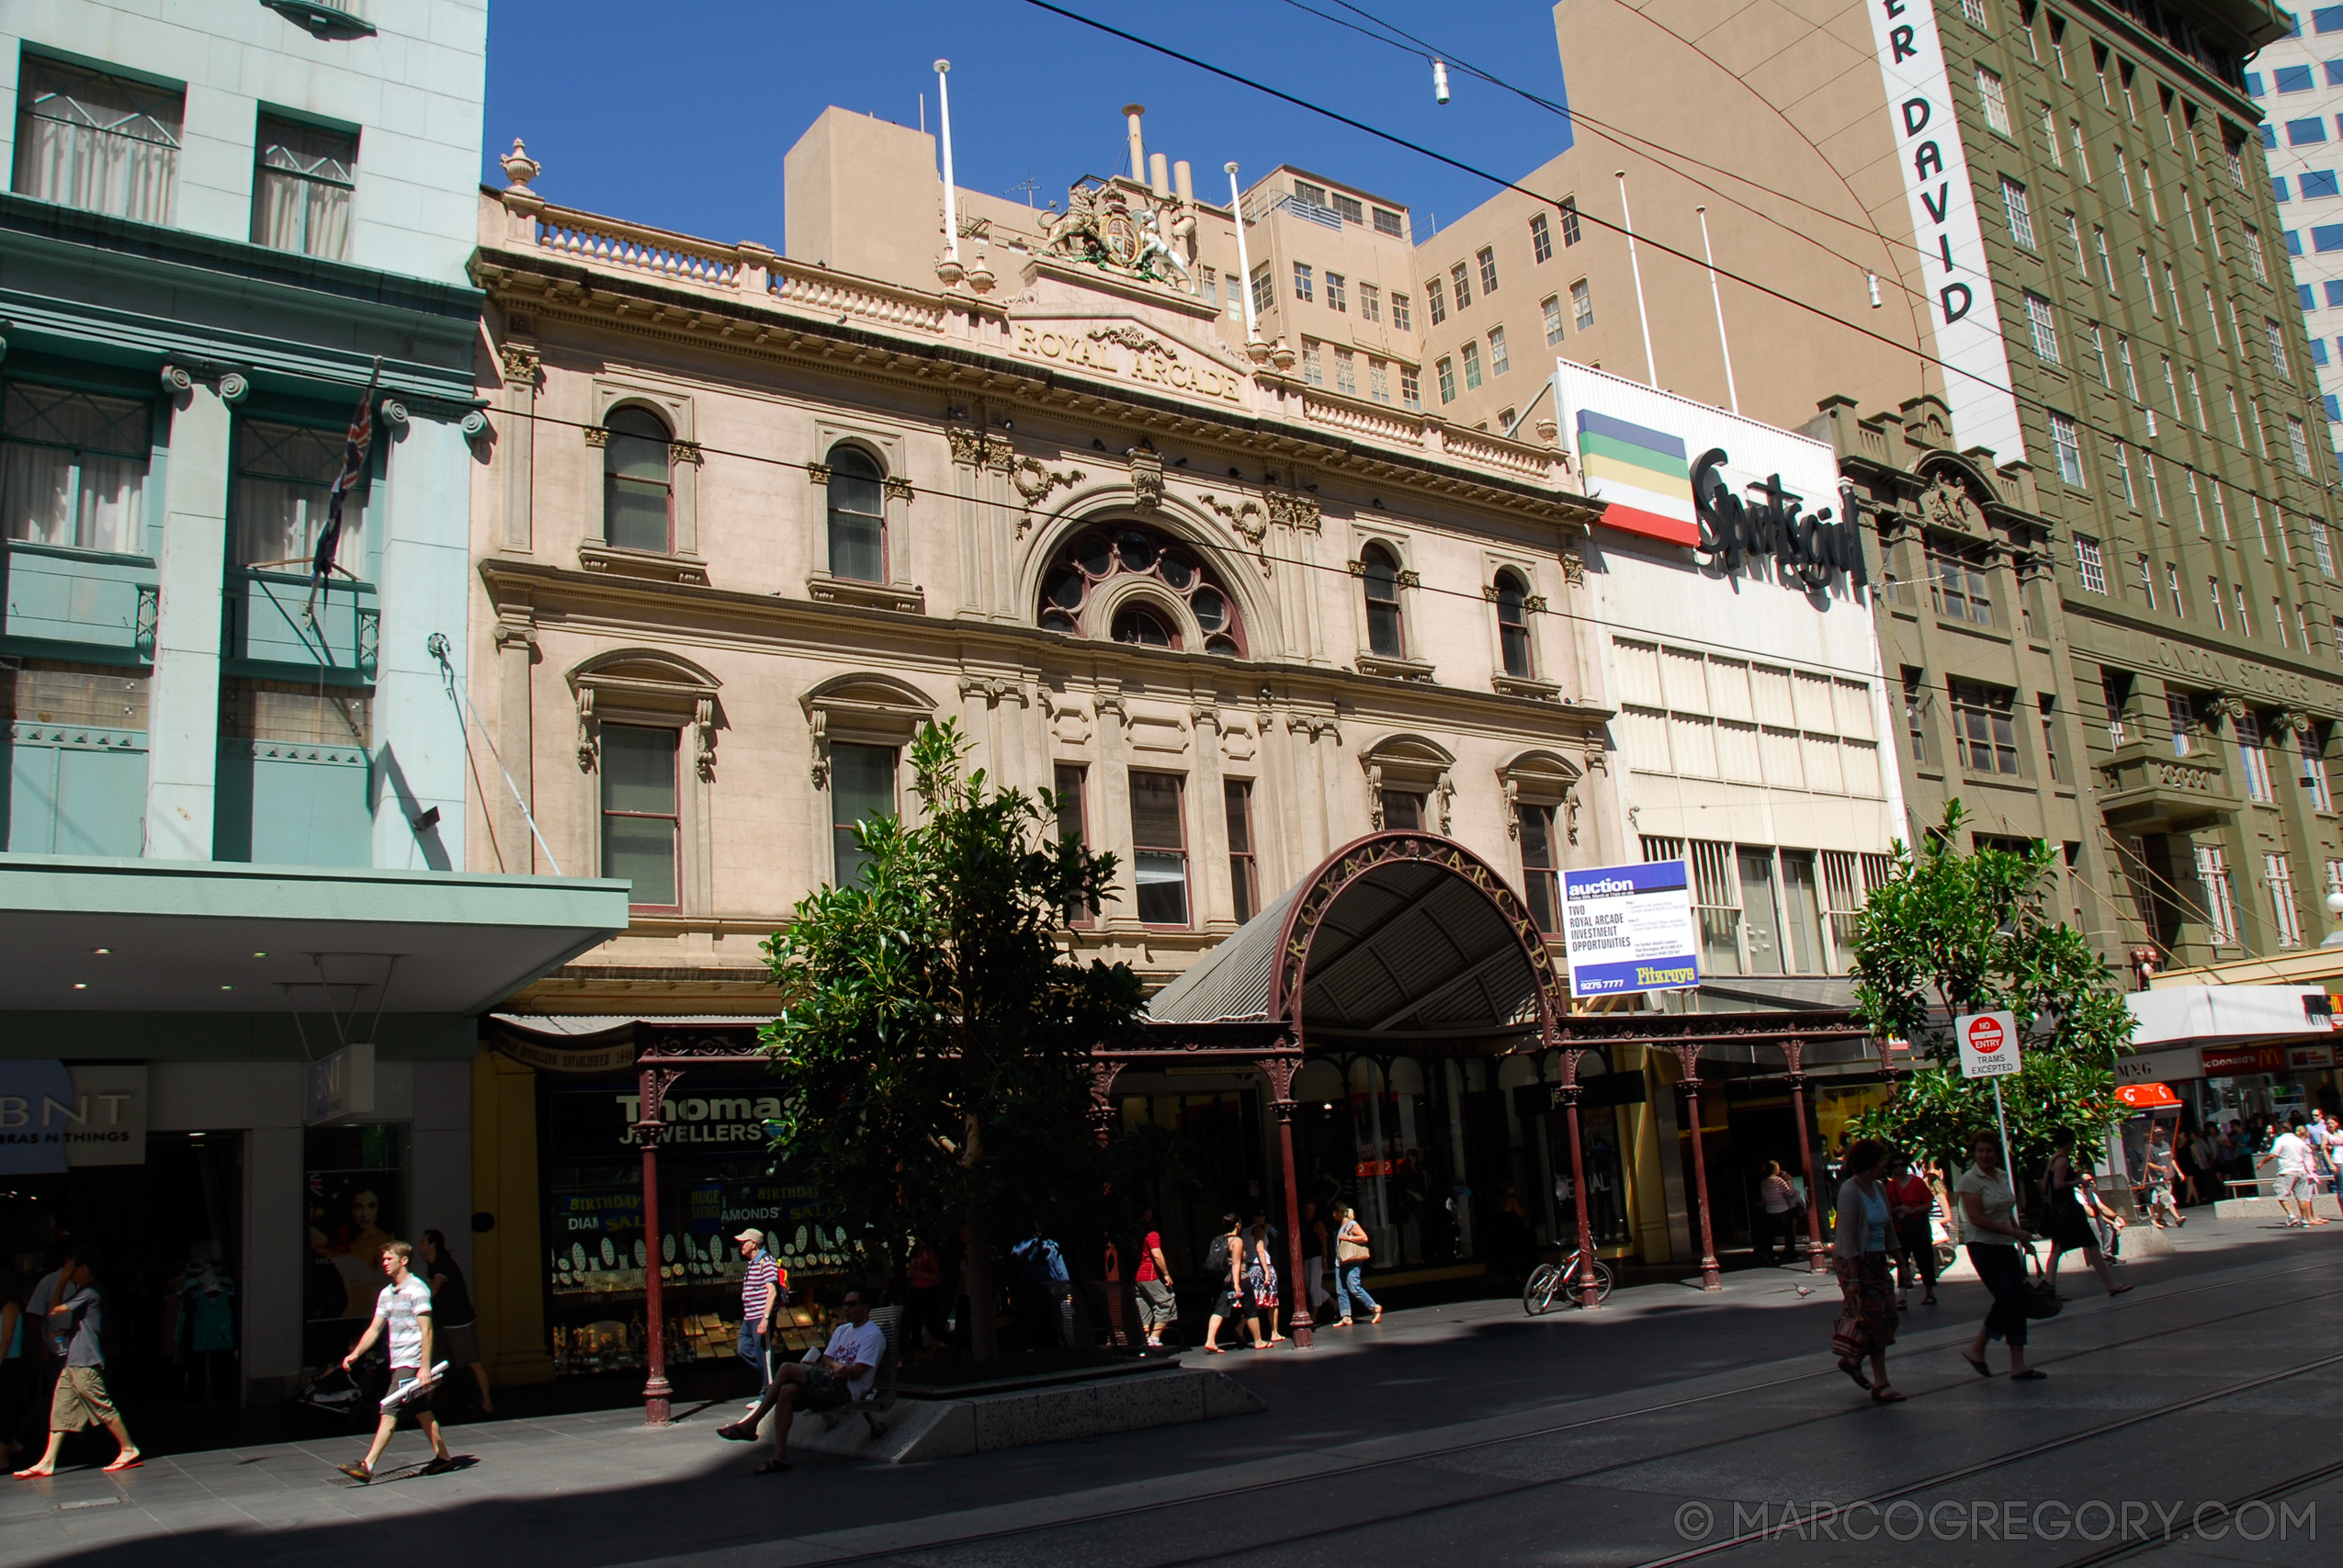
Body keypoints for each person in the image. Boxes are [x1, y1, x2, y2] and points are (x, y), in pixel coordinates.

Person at [717, 1287, 885, 1473]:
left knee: (787, 1368)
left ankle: (751, 1424)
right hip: (830, 1380)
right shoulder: (842, 1331)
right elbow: (826, 1359)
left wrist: (836, 1367)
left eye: (852, 1304)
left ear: (866, 1307)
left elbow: (858, 1372)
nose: (846, 1308)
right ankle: (779, 1456)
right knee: (787, 1390)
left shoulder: (873, 1335)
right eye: (844, 1304)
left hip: (848, 1390)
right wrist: (836, 1366)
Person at [12, 1247, 138, 1478]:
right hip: (73, 1360)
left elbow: (54, 1309)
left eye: (74, 1270)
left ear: (85, 1269)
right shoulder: (86, 1292)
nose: (70, 1275)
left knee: (101, 1404)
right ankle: (48, 1461)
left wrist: (60, 1281)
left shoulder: (89, 1291)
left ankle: (128, 1448)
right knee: (60, 1409)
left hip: (85, 1361)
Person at [335, 1241, 451, 1483]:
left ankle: (367, 1466)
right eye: (384, 1259)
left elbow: (426, 1331)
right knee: (421, 1410)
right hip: (397, 1362)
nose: (385, 1263)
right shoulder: (387, 1293)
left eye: (389, 1259)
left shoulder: (418, 1289)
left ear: (404, 1260)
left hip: (411, 1363)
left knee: (389, 1410)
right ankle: (444, 1457)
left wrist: (424, 1367)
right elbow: (375, 1328)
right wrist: (355, 1353)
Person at [1957, 1132, 2043, 1381]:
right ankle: (1977, 1348)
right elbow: (1976, 1218)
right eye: (1980, 1151)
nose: (1984, 1156)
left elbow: (2006, 1210)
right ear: (1974, 1154)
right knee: (2006, 1299)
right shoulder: (1969, 1180)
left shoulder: (2003, 1176)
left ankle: (2018, 1364)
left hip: (2005, 1244)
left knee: (2018, 1300)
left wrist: (2019, 1236)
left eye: (1989, 1151)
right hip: (1982, 1245)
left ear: (1997, 1154)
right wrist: (2013, 1232)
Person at [1828, 1140, 1903, 1403]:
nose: (1886, 1165)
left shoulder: (1879, 1188)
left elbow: (1888, 1227)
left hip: (1878, 1259)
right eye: (1882, 1160)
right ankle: (1881, 1383)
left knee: (1890, 1315)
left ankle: (1852, 1359)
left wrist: (1900, 1260)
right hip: (1855, 1261)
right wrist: (1854, 1278)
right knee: (1874, 1320)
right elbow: (1846, 1238)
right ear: (1870, 1164)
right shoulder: (1849, 1191)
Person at [2043, 1128, 2132, 1298]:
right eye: (2073, 1140)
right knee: (2091, 1245)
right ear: (2068, 1142)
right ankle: (2110, 1284)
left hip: (2059, 1210)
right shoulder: (2061, 1161)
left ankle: (2049, 1286)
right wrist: (2078, 1182)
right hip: (2068, 1210)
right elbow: (2058, 1185)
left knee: (2058, 1248)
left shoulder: (2053, 1159)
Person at [418, 1231, 492, 1416]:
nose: (420, 1246)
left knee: (472, 1363)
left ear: (432, 1245)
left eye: (423, 1242)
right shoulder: (432, 1266)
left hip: (459, 1323)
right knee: (436, 1365)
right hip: (445, 1323)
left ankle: (487, 1402)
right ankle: (424, 1407)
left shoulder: (442, 1264)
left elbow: (433, 1290)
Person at [1884, 1151, 1938, 1308]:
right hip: (1901, 1228)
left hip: (1918, 1225)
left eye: (1902, 1165)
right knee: (1902, 1261)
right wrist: (1899, 1209)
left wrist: (1912, 1211)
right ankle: (1902, 1297)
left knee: (1925, 1259)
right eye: (1896, 1166)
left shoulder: (1918, 1182)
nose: (1899, 1168)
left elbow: (1929, 1204)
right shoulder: (1891, 1186)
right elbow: (1888, 1208)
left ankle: (1929, 1292)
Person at [1202, 1214, 1256, 1352]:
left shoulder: (1218, 1240)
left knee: (1219, 1310)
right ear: (1237, 1225)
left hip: (1222, 1280)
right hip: (1239, 1279)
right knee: (1251, 1310)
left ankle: (1210, 1341)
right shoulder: (1236, 1241)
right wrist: (1237, 1285)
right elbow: (1236, 1264)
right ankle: (1259, 1340)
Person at [736, 1229, 780, 1398]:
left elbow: (772, 1291)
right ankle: (772, 1378)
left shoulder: (766, 1260)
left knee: (764, 1352)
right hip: (750, 1316)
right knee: (744, 1348)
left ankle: (769, 1392)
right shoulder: (753, 1262)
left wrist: (765, 1318)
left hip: (760, 1316)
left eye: (743, 1242)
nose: (740, 1245)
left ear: (753, 1243)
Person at [1132, 1209, 1175, 1349]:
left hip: (1138, 1277)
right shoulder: (1151, 1234)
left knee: (1143, 1307)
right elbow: (1156, 1254)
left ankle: (1144, 1341)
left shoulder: (1134, 1233)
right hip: (1151, 1274)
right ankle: (1154, 1338)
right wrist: (1166, 1273)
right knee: (1167, 1303)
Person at [1332, 1204, 1381, 1326]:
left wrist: (1348, 1237)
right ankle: (1346, 1316)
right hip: (1341, 1261)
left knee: (1354, 1287)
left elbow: (1364, 1237)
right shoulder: (1341, 1226)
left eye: (1334, 1212)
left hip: (1352, 1261)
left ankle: (1374, 1307)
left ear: (1339, 1213)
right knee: (1341, 1289)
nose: (1333, 1216)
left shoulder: (1351, 1224)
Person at [2271, 1113, 2322, 1227]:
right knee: (2303, 1197)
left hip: (2288, 1171)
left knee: (2281, 1194)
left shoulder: (2281, 1140)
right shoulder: (2299, 1142)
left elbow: (2273, 1153)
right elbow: (2307, 1154)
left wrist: (2262, 1163)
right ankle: (2305, 1219)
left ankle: (2292, 1216)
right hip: (2302, 1171)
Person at [905, 1241, 949, 1359]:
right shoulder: (914, 1252)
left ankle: (955, 1344)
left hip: (930, 1291)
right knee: (915, 1325)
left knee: (933, 1326)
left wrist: (918, 1271)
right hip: (916, 1290)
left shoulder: (929, 1253)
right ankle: (917, 1356)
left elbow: (937, 1275)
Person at [1756, 1161, 1801, 1268]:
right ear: (1776, 1170)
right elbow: (1791, 1193)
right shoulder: (1779, 1181)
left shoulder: (1763, 1182)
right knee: (1789, 1232)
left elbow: (1764, 1198)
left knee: (1770, 1234)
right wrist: (1789, 1181)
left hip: (1770, 1210)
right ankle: (1791, 1252)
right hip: (1782, 1209)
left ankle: (1769, 1254)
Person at [1246, 1222, 1283, 1346]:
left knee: (1254, 1302)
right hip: (1262, 1266)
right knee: (1272, 1300)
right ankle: (1274, 1332)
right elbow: (1260, 1250)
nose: (1262, 1218)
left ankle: (1241, 1327)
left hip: (1252, 1266)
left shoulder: (1245, 1231)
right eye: (1259, 1215)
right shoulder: (1257, 1229)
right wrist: (1266, 1271)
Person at [2141, 1132, 2185, 1229]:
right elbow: (2148, 1163)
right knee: (2166, 1197)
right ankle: (2177, 1218)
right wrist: (2159, 1168)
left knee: (2162, 1200)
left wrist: (2179, 1172)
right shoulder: (2149, 1147)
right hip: (2158, 1178)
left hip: (2168, 1177)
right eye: (2158, 1135)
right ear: (2152, 1136)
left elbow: (2171, 1159)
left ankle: (2159, 1218)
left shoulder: (2166, 1145)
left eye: (2162, 1135)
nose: (2160, 1137)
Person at [1301, 1199, 1332, 1318]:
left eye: (1311, 1209)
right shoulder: (1303, 1224)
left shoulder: (1317, 1223)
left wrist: (1324, 1260)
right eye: (1307, 1209)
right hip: (1307, 1258)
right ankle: (1334, 1303)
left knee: (1314, 1286)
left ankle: (1314, 1313)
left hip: (1316, 1257)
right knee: (1310, 1287)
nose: (1309, 1211)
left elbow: (1324, 1243)